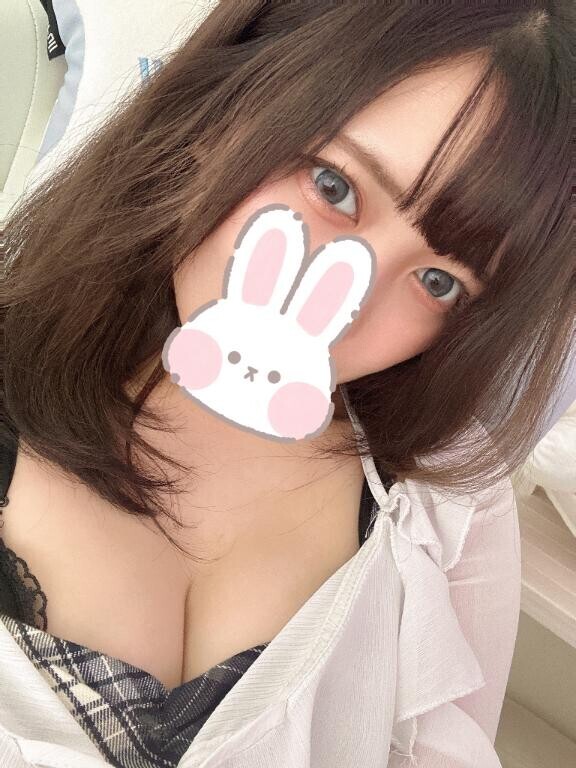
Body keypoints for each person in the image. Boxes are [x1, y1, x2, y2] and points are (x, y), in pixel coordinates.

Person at [0, 1, 573, 766]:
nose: (351, 305)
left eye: (439, 280)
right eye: (333, 187)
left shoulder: (448, 503)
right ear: (221, 114)